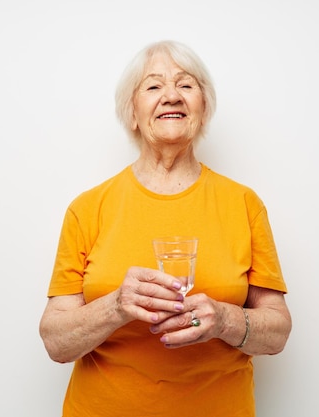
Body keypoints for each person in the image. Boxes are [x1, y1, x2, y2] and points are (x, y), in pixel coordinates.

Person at [39, 40, 292, 417]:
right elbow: (55, 342)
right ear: (132, 113)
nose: (171, 96)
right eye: (154, 86)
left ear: (203, 109)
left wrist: (224, 319)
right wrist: (117, 305)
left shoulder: (243, 204)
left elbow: (278, 331)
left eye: (186, 85)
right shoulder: (87, 209)